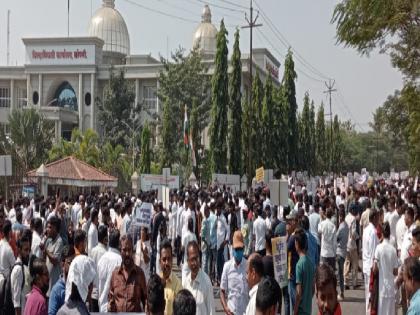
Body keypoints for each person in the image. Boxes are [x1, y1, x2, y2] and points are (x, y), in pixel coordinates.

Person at [108, 234, 147, 312]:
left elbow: (145, 299)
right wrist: (110, 306)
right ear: (120, 250)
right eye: (124, 250)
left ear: (133, 250)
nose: (127, 254)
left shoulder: (140, 274)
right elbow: (110, 298)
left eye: (129, 250)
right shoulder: (115, 274)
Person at [182, 240, 215, 315]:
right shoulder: (186, 283)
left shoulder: (206, 282)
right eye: (192, 259)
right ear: (188, 261)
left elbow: (211, 311)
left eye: (196, 258)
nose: (195, 263)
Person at [220, 230, 248, 315]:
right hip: (231, 312)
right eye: (237, 249)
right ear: (232, 248)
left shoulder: (248, 266)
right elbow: (222, 290)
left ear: (243, 249)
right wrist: (226, 308)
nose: (239, 251)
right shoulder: (227, 267)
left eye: (240, 249)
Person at [373, 222, 398, 315]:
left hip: (382, 288)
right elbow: (395, 271)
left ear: (382, 234)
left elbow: (375, 269)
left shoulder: (378, 248)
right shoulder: (393, 250)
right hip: (391, 288)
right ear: (389, 233)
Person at [97, 229, 122, 312]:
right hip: (113, 308)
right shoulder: (119, 260)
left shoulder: (102, 259)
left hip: (101, 306)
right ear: (119, 243)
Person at [48, 246, 75, 315]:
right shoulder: (56, 290)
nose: (73, 266)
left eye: (74, 262)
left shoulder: (78, 286)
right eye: (70, 262)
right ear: (62, 264)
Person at [362, 208, 379, 314]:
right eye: (377, 218)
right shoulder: (372, 232)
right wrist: (375, 269)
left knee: (368, 294)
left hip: (366, 265)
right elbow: (373, 253)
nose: (378, 220)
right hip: (370, 267)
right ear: (373, 218)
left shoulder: (366, 229)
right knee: (370, 295)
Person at [42, 216, 64, 297]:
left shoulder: (59, 241)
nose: (47, 229)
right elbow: (44, 258)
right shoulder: (48, 240)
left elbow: (55, 261)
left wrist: (46, 250)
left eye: (50, 227)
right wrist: (44, 240)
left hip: (54, 283)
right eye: (47, 227)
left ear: (55, 229)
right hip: (47, 282)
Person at [294, 228, 314, 315]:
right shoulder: (310, 262)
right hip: (308, 309)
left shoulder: (299, 265)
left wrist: (295, 311)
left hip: (301, 310)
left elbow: (298, 293)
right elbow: (313, 289)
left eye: (295, 242)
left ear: (297, 244)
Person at [159, 239, 182, 315]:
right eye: (164, 259)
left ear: (172, 260)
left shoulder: (178, 285)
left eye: (169, 259)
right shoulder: (155, 282)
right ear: (160, 262)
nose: (167, 263)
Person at [11, 233, 31, 315]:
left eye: (29, 250)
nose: (28, 253)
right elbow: (16, 300)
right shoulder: (18, 269)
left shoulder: (23, 266)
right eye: (26, 250)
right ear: (19, 250)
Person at [89, 225, 108, 312]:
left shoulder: (92, 251)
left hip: (93, 292)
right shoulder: (106, 254)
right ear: (105, 239)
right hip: (102, 293)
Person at [286, 211, 299, 312]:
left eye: (290, 221)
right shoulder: (301, 233)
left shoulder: (293, 237)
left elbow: (285, 251)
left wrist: (288, 234)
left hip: (292, 274)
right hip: (298, 271)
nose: (288, 223)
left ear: (294, 221)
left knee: (294, 303)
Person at [344, 205, 359, 290]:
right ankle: (354, 282)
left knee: (346, 263)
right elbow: (353, 232)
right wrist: (358, 237)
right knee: (354, 264)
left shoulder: (346, 217)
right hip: (352, 244)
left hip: (346, 244)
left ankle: (346, 282)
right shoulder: (353, 219)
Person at [336, 208, 349, 300]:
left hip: (339, 251)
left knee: (340, 274)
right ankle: (341, 292)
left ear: (340, 216)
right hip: (344, 250)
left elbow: (336, 238)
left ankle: (341, 292)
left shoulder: (341, 227)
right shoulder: (346, 226)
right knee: (340, 273)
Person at [215, 200, 229, 285]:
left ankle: (223, 280)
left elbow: (228, 230)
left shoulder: (223, 218)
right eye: (216, 209)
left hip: (222, 245)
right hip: (217, 244)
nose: (217, 210)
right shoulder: (217, 218)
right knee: (218, 263)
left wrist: (225, 241)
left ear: (220, 209)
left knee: (221, 263)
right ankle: (219, 279)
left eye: (218, 208)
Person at [181, 218, 197, 282]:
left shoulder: (185, 235)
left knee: (184, 280)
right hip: (193, 261)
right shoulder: (194, 236)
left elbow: (182, 248)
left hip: (186, 260)